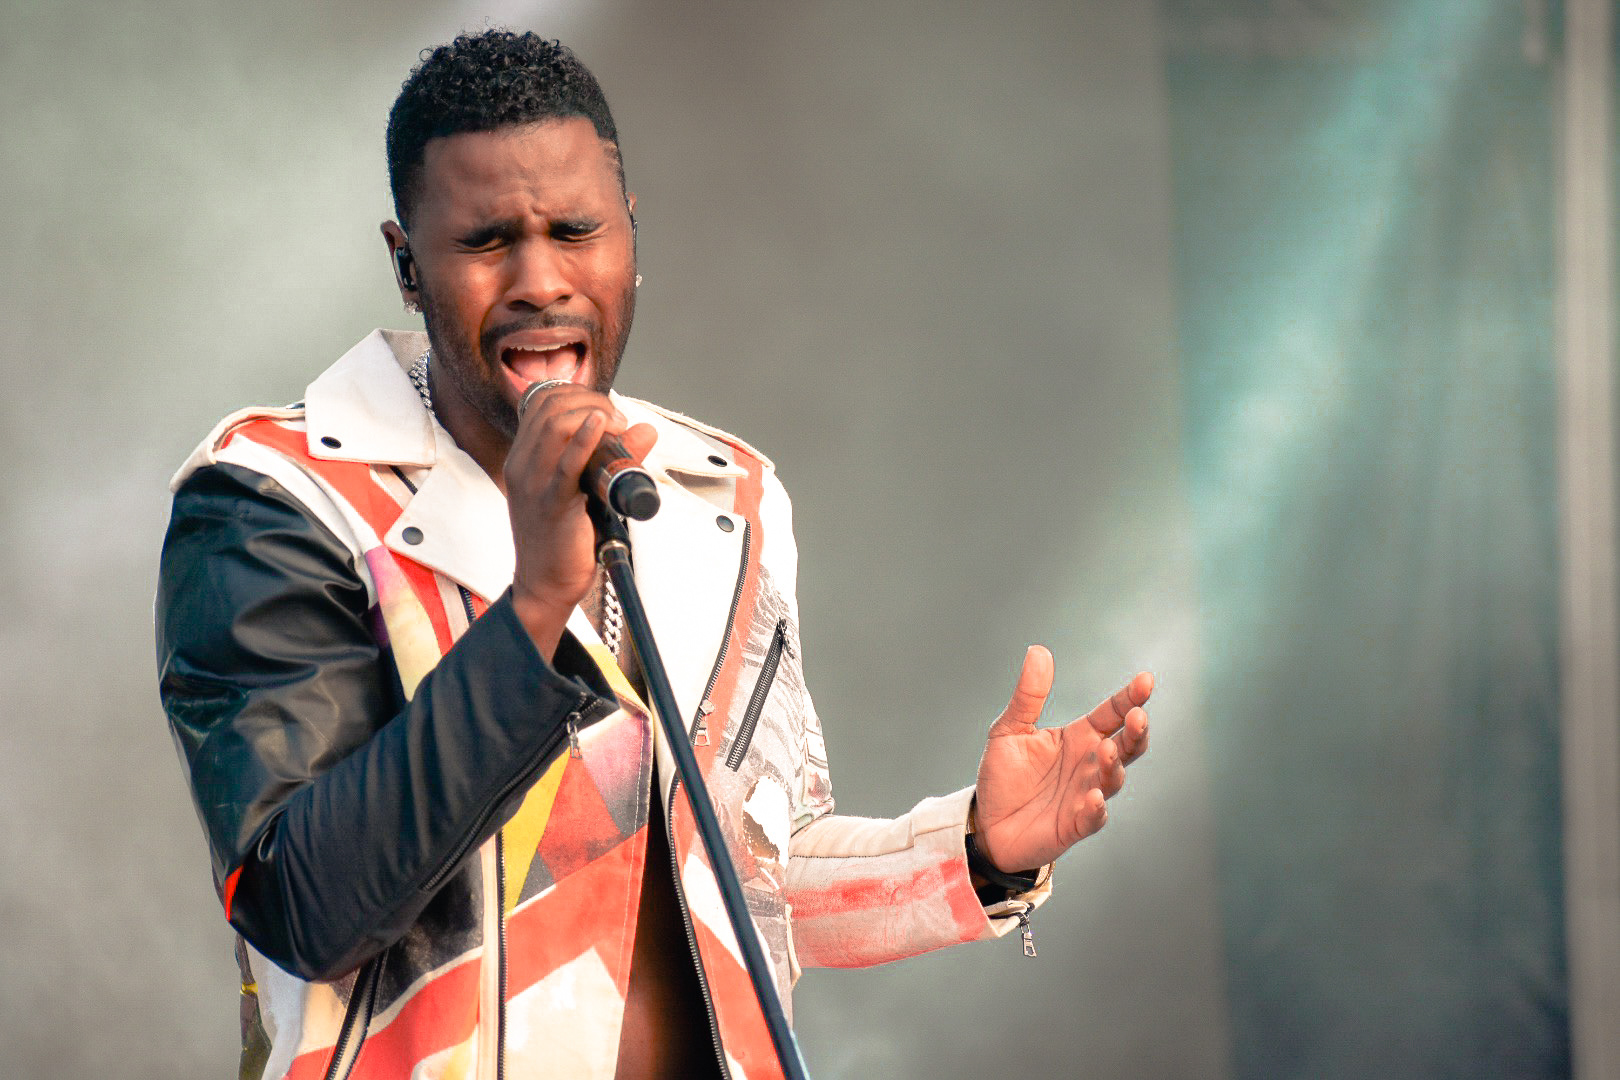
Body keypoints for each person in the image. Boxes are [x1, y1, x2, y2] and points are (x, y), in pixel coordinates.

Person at [155, 30, 1152, 1080]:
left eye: (574, 230)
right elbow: (305, 908)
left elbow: (747, 888)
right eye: (487, 242)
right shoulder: (275, 500)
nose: (540, 280)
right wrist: (538, 607)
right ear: (408, 266)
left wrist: (978, 851)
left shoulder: (723, 495)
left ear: (630, 234)